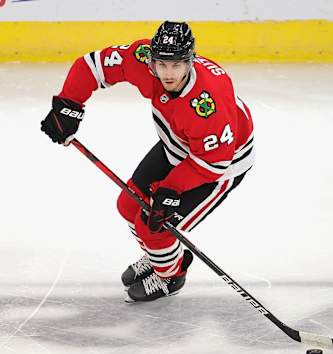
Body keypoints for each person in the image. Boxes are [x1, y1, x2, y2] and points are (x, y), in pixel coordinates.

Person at [40, 21, 255, 303]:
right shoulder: (143, 59)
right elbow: (91, 66)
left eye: (176, 66)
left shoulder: (208, 102)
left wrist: (172, 190)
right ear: (151, 59)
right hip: (178, 144)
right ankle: (160, 257)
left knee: (152, 227)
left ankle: (171, 275)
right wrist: (69, 104)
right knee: (128, 205)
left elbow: (212, 163)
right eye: (161, 64)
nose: (167, 74)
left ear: (190, 62)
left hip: (220, 165)